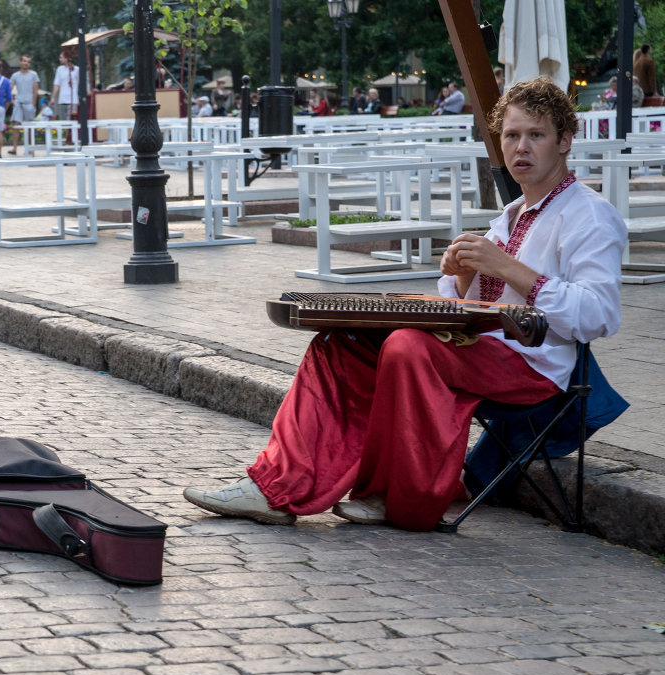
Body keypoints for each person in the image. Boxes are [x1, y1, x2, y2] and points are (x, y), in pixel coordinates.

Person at [183, 77, 625, 532]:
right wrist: (463, 277)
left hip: (534, 369)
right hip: (482, 351)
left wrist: (508, 267)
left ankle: (395, 497)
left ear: (565, 141)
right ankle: (276, 486)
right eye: (511, 135)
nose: (521, 147)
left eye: (536, 135)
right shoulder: (511, 216)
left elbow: (598, 315)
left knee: (410, 347)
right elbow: (467, 306)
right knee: (342, 341)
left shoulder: (589, 214)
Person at [9, 54, 39, 155]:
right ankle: (14, 148)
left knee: (29, 126)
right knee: (16, 125)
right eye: (24, 61)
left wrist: (33, 104)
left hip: (29, 102)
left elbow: (35, 90)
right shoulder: (15, 75)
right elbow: (10, 88)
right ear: (20, 62)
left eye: (28, 62)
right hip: (19, 102)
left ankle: (30, 148)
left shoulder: (33, 75)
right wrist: (12, 100)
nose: (26, 63)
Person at [51, 50, 79, 121]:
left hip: (73, 100)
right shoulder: (59, 69)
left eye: (61, 57)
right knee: (63, 122)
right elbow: (56, 84)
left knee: (71, 120)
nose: (60, 59)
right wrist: (53, 98)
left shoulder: (76, 69)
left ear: (67, 58)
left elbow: (80, 83)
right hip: (62, 100)